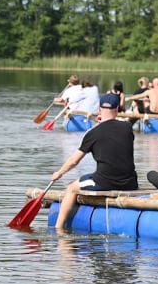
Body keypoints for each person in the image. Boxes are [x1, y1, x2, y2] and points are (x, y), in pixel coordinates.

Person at [50, 93, 139, 230]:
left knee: (71, 188)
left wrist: (59, 173)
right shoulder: (127, 128)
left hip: (105, 182)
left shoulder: (93, 133)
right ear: (117, 109)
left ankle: (59, 228)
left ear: (99, 108)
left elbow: (74, 161)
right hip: (130, 182)